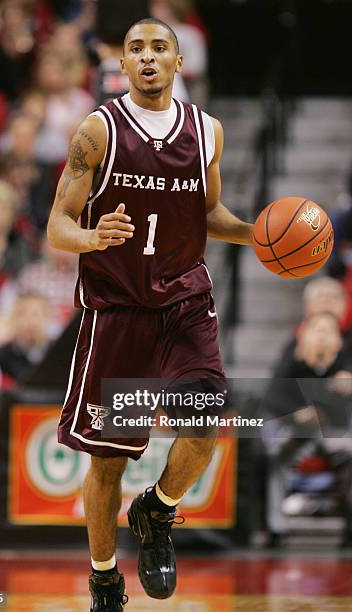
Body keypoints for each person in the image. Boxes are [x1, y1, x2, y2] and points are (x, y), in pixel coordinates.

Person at [47, 18, 253, 611]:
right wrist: (91, 238)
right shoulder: (98, 131)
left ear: (178, 61)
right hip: (118, 310)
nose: (146, 57)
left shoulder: (207, 131)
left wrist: (257, 235)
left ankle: (157, 511)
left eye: (158, 47)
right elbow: (59, 223)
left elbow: (207, 214)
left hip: (185, 302)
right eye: (135, 48)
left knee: (206, 423)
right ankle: (106, 581)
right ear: (122, 63)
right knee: (108, 460)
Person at [263, 312, 352, 547]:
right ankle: (276, 528)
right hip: (298, 432)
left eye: (328, 331)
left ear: (338, 340)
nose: (322, 336)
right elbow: (273, 400)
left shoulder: (345, 364)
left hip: (335, 432)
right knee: (275, 456)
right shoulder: (292, 363)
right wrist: (299, 412)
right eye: (317, 330)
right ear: (304, 336)